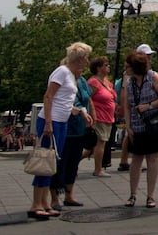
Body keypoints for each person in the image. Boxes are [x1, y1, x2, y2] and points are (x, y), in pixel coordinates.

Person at [29, 41, 92, 220]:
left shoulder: (71, 75)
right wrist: (48, 122)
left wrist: (78, 111)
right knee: (44, 161)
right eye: (85, 58)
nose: (86, 61)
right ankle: (36, 204)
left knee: (52, 163)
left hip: (61, 121)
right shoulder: (63, 72)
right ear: (79, 59)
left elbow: (63, 100)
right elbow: (49, 96)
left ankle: (45, 202)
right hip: (52, 121)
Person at [122, 48, 158, 209]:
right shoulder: (129, 83)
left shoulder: (152, 77)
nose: (125, 69)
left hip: (154, 123)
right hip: (137, 125)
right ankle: (132, 194)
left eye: (127, 66)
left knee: (152, 158)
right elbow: (127, 106)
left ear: (135, 67)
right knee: (136, 159)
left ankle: (150, 196)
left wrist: (149, 105)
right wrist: (128, 126)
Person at [58, 70, 96, 208]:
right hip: (66, 127)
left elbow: (88, 99)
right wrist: (82, 111)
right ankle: (54, 198)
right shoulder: (65, 79)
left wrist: (93, 116)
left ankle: (69, 195)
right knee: (61, 163)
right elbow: (72, 101)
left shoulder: (83, 81)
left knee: (73, 163)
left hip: (80, 128)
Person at [87, 57, 116, 177]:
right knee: (100, 143)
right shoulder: (93, 82)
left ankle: (71, 163)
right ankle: (98, 169)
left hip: (108, 116)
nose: (108, 66)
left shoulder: (107, 81)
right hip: (99, 116)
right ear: (98, 68)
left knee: (94, 146)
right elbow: (87, 97)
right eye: (105, 65)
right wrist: (92, 114)